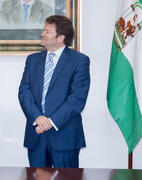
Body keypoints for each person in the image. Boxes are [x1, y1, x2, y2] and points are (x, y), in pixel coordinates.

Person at [18, 15, 90, 168]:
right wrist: (37, 117)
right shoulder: (33, 60)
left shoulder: (79, 61)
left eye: (47, 31)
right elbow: (24, 91)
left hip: (65, 136)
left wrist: (50, 122)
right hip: (36, 135)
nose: (42, 34)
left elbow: (77, 99)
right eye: (43, 31)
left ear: (60, 38)